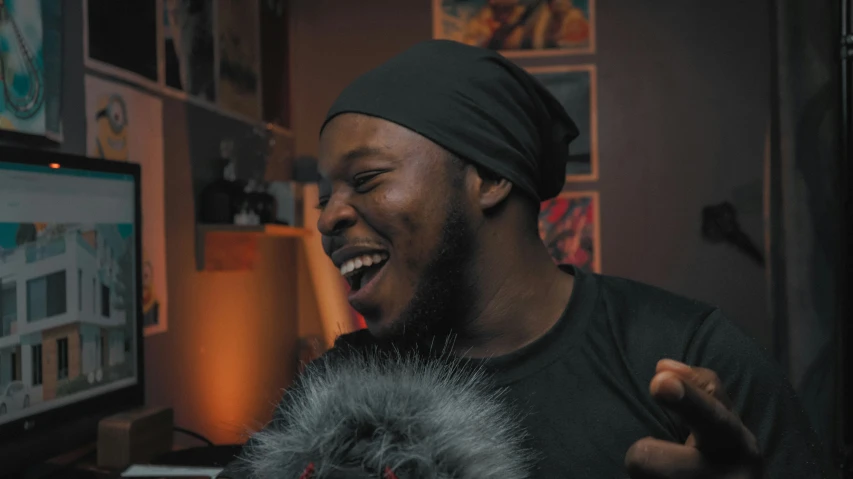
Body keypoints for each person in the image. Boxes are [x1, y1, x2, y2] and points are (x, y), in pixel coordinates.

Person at [218, 40, 829, 478]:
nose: (326, 218)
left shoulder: (689, 362)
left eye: (367, 178)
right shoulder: (338, 388)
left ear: (486, 178)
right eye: (325, 196)